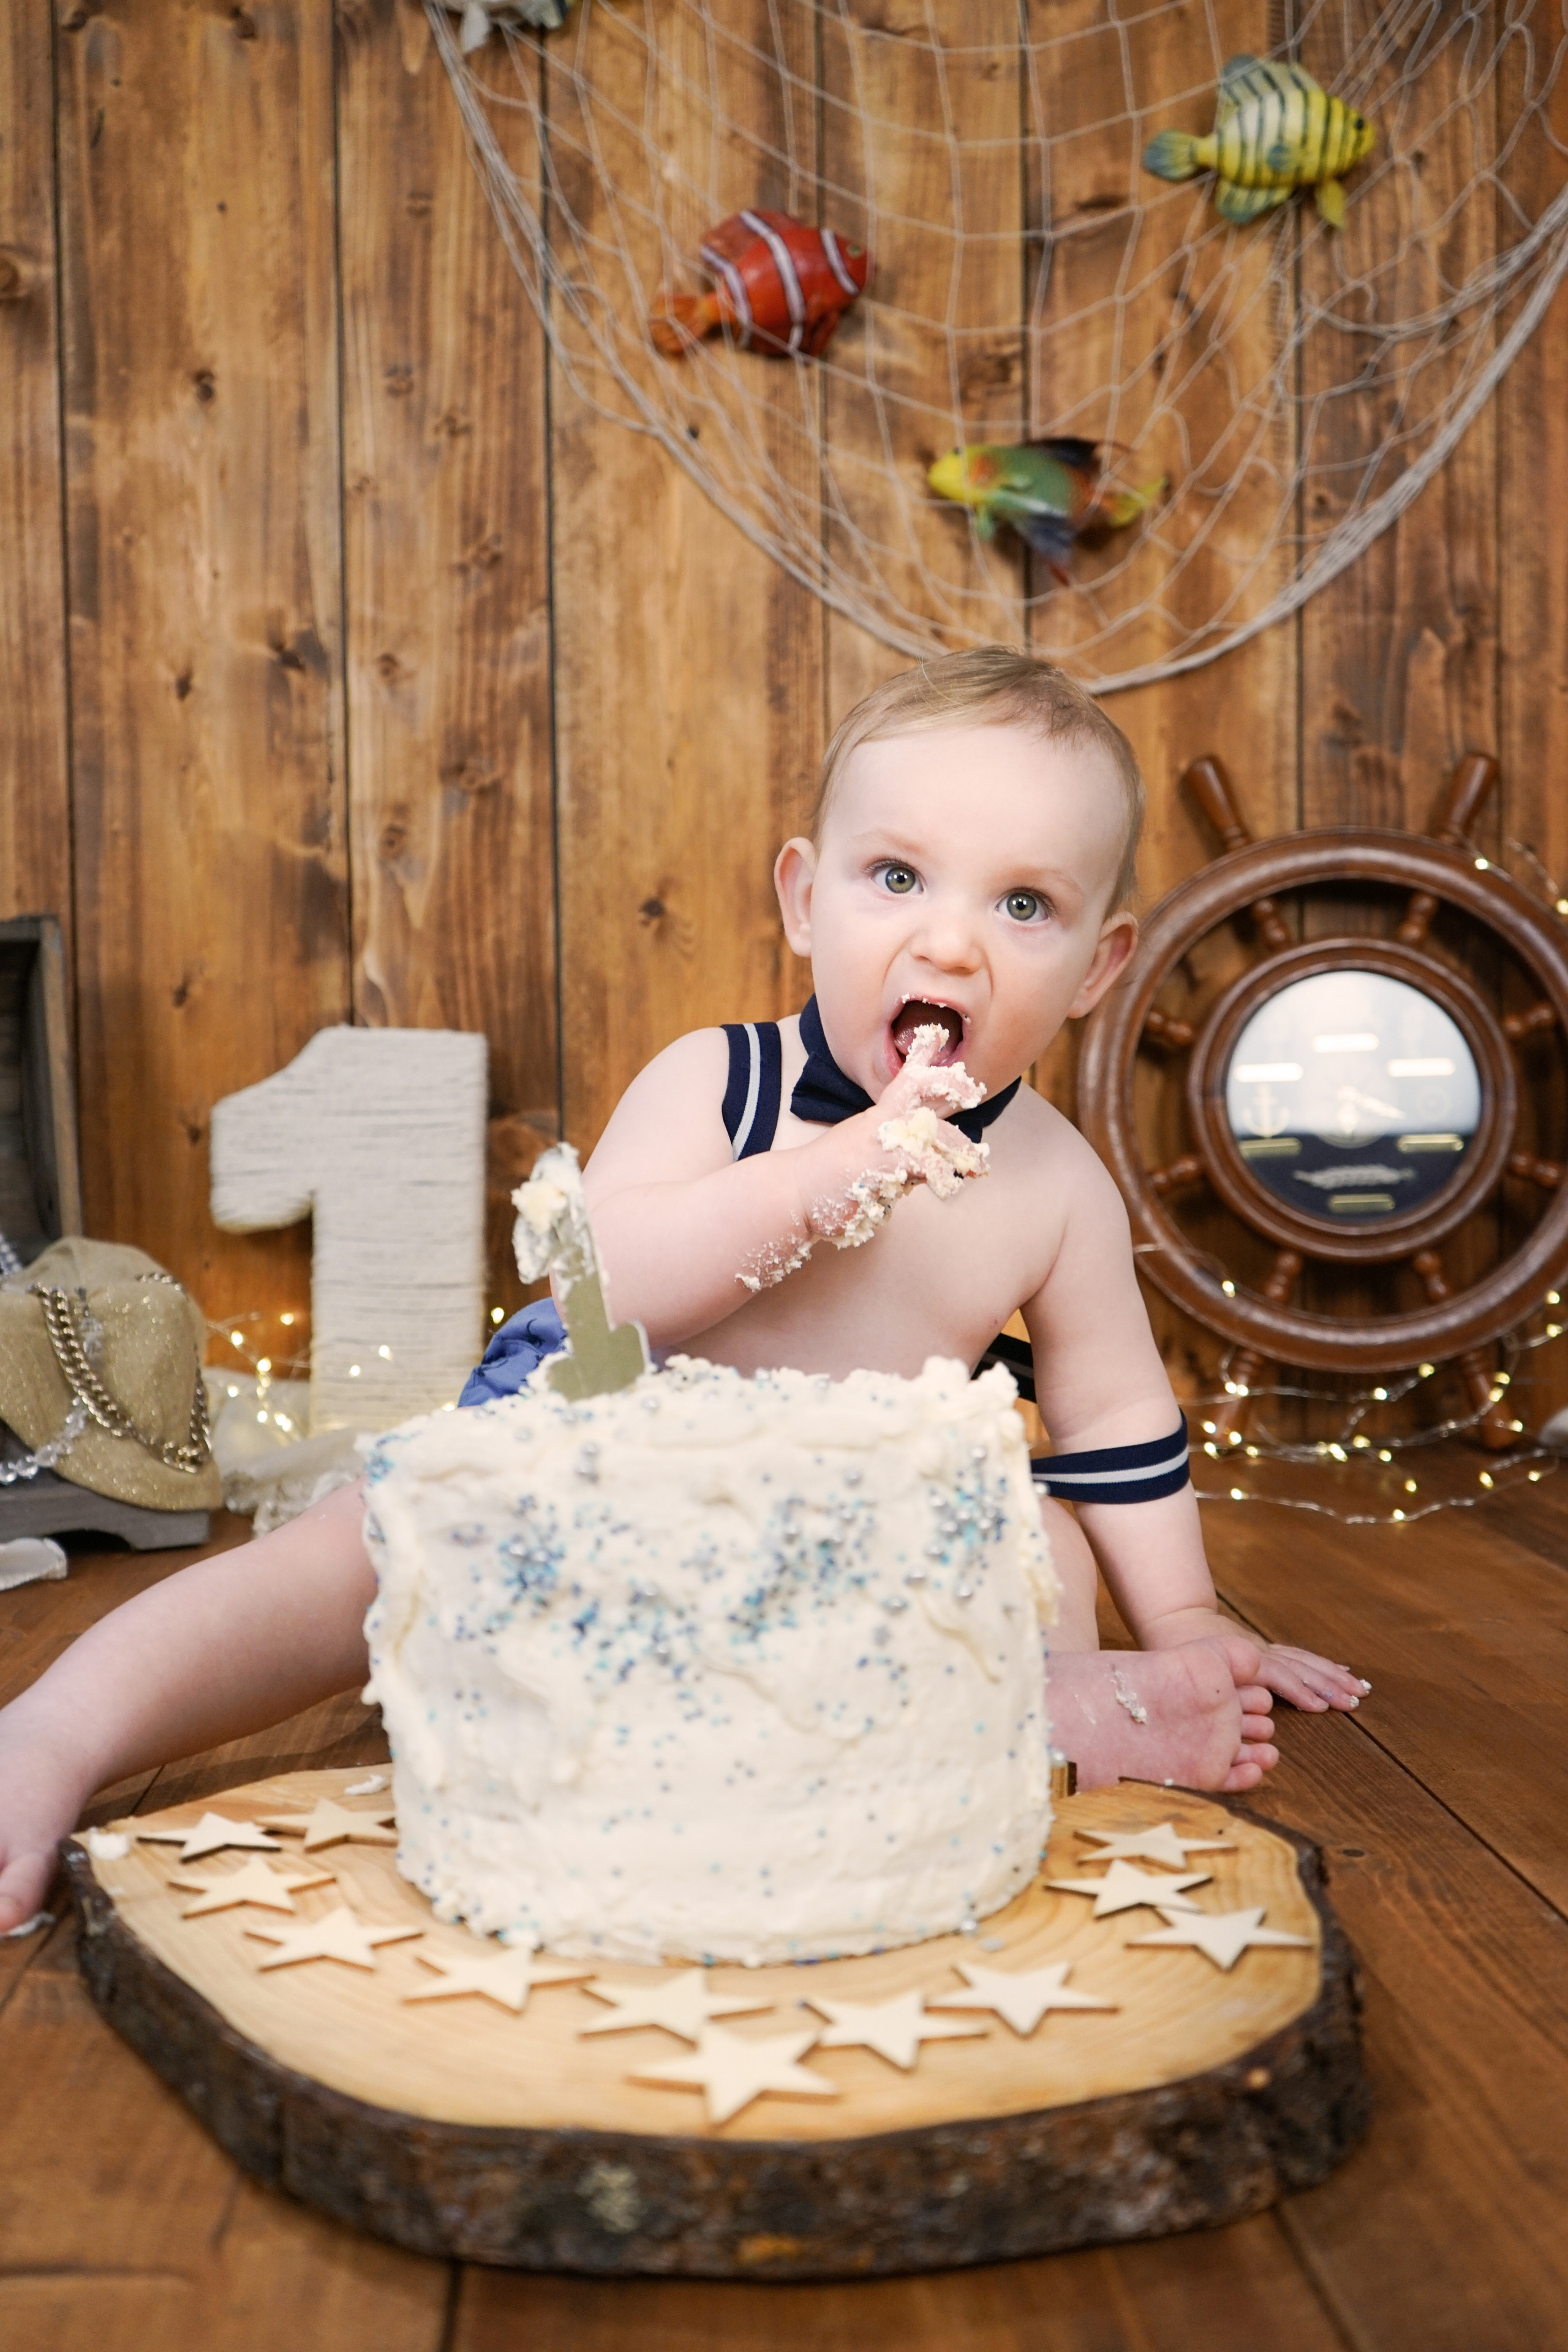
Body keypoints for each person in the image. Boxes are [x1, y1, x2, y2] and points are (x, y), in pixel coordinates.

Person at [0, 649, 1365, 1936]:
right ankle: (60, 1731)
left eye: (1022, 905)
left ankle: (1046, 1705)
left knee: (1039, 1547)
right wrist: (808, 1186)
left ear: (1096, 967)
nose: (950, 946)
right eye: (895, 877)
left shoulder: (1052, 1179)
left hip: (838, 1549)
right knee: (339, 1557)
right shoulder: (724, 1084)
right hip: (587, 1478)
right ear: (801, 897)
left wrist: (1186, 1618)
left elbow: (1113, 1410)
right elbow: (600, 1301)